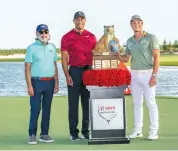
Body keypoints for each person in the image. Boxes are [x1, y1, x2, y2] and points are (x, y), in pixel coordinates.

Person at [117, 15, 160, 140]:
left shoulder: (151, 38)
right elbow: (126, 58)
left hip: (148, 73)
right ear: (131, 25)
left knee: (150, 102)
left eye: (138, 22)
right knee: (137, 103)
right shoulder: (130, 41)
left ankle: (153, 131)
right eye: (133, 23)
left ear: (142, 23)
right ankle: (137, 130)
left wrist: (154, 75)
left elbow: (157, 56)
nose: (135, 24)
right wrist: (117, 55)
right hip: (134, 74)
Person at [60, 11, 97, 141]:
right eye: (77, 19)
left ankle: (85, 132)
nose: (80, 21)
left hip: (88, 71)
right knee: (73, 103)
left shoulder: (92, 36)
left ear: (85, 21)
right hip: (74, 71)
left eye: (82, 19)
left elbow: (98, 54)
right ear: (74, 20)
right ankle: (73, 133)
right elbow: (64, 58)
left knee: (87, 103)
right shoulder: (67, 37)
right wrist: (67, 75)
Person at [25, 24, 59, 144]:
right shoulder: (31, 48)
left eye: (46, 32)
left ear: (48, 33)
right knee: (35, 108)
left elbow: (54, 65)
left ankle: (44, 134)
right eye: (41, 32)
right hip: (36, 82)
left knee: (47, 108)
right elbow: (27, 68)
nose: (44, 34)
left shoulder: (52, 47)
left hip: (50, 81)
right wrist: (29, 85)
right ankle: (32, 134)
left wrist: (57, 82)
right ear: (37, 34)